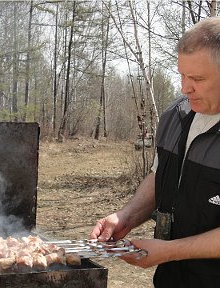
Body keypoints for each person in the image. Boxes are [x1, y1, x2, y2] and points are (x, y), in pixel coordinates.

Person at [90, 16, 220, 288]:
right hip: (171, 279)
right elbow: (160, 174)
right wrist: (125, 217)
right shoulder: (176, 115)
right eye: (182, 75)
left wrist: (171, 250)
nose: (185, 88)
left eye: (197, 78)